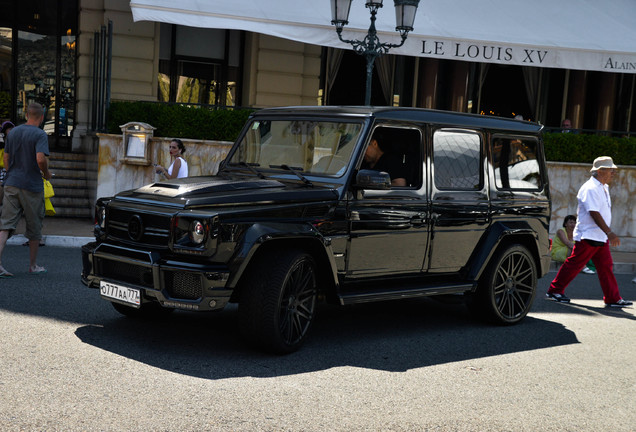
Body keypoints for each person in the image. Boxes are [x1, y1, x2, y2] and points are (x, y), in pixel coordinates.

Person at [546, 156, 632, 307]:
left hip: (598, 236)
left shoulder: (603, 187)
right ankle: (554, 291)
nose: (614, 172)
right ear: (600, 171)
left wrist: (606, 233)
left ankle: (613, 298)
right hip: (588, 235)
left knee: (606, 267)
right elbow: (594, 212)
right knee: (575, 264)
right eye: (611, 169)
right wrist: (609, 232)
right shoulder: (590, 188)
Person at [0, 103, 51, 277]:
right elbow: (40, 159)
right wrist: (46, 174)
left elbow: (6, 157)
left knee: (5, 225)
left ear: (26, 115)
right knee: (34, 226)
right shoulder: (40, 134)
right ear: (42, 117)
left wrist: (11, 173)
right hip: (32, 186)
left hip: (12, 183)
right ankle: (33, 265)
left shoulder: (13, 132)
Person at [0, 121, 15, 208]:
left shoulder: (14, 140)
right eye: (9, 129)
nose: (11, 131)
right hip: (3, 167)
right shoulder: (2, 141)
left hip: (9, 167)